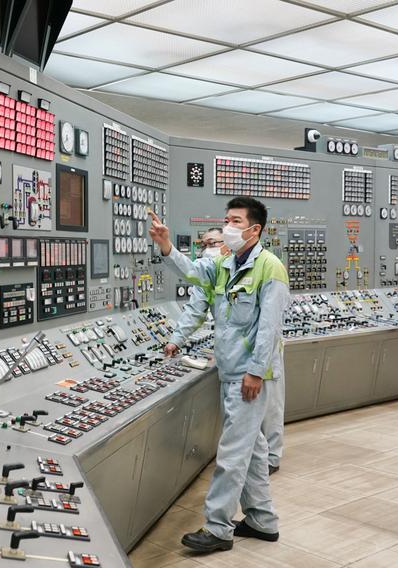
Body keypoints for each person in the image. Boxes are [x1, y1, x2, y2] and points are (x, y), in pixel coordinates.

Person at [149, 196, 289, 553]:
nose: (228, 227)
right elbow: (194, 272)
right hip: (231, 371)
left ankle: (218, 528)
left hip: (251, 375)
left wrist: (256, 372)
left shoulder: (270, 268)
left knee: (231, 453)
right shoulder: (225, 263)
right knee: (253, 450)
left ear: (255, 229)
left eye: (236, 221)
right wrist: (166, 246)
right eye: (226, 220)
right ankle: (261, 520)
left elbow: (269, 328)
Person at [177, 226, 285, 474]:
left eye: (212, 242)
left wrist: (258, 367)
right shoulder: (215, 272)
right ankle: (254, 461)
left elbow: (269, 325)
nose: (207, 248)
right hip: (235, 356)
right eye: (203, 244)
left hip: (262, 352)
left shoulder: (265, 266)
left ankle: (271, 459)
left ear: (226, 244)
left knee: (270, 408)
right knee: (242, 419)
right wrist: (176, 339)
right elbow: (196, 308)